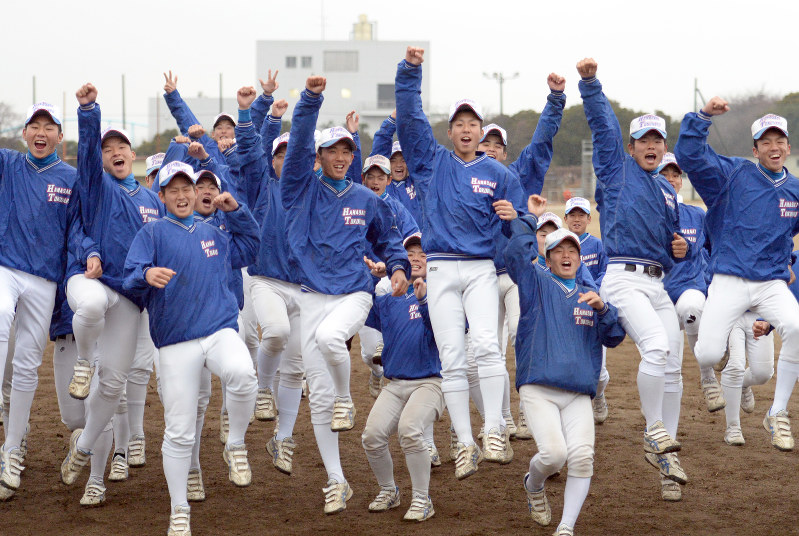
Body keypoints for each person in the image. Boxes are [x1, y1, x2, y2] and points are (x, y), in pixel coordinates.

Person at [281, 75, 410, 513]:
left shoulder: (366, 198)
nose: (340, 157)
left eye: (346, 151)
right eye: (332, 151)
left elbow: (389, 240)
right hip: (311, 295)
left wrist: (397, 267)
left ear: (353, 156)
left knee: (330, 339)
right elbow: (298, 141)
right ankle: (337, 480)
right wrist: (310, 100)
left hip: (354, 292)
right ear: (318, 157)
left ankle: (346, 396)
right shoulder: (301, 188)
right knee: (317, 397)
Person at [395, 46, 526, 478]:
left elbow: (521, 226)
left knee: (486, 346)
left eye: (473, 124)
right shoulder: (431, 163)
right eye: (459, 124)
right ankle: (466, 443)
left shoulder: (499, 174)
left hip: (480, 269)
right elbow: (410, 119)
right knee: (452, 357)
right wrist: (410, 71)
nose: (466, 130)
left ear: (481, 131)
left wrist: (514, 218)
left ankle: (494, 429)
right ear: (449, 131)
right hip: (438, 269)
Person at [123, 160, 258, 536]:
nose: (183, 196)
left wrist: (237, 212)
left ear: (197, 193)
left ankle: (235, 444)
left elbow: (251, 248)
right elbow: (131, 275)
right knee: (179, 431)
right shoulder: (152, 233)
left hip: (218, 330)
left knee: (243, 374)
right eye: (174, 190)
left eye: (188, 189)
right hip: (175, 341)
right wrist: (146, 273)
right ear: (162, 196)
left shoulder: (214, 232)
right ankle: (179, 507)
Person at [577, 59, 689, 486]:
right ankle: (652, 429)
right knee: (656, 346)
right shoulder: (616, 170)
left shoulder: (667, 190)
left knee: (673, 366)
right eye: (643, 139)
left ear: (664, 147)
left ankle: (666, 457)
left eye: (657, 139)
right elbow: (603, 126)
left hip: (658, 283)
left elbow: (671, 249)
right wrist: (591, 84)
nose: (651, 145)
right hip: (623, 278)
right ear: (631, 147)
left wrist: (680, 249)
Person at [675, 103, 799, 452]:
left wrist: (787, 261)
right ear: (755, 150)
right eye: (766, 142)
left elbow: (786, 234)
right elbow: (689, 155)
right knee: (707, 355)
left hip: (770, 282)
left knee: (796, 327)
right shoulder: (733, 174)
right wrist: (702, 117)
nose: (774, 147)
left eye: (780, 141)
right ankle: (714, 358)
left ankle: (777, 413)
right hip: (729, 280)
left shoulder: (795, 190)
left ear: (788, 147)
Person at [60, 84, 164, 498]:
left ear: (133, 154)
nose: (115, 152)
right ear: (102, 159)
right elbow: (87, 153)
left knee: (114, 384)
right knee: (88, 310)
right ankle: (84, 361)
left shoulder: (153, 200)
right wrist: (89, 112)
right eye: (108, 149)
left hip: (130, 297)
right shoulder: (97, 187)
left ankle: (89, 464)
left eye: (121, 146)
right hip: (94, 282)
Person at [506, 194, 625, 536]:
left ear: (580, 256)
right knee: (554, 455)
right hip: (539, 388)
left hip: (577, 394)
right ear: (547, 257)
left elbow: (614, 338)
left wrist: (603, 310)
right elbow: (514, 256)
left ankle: (566, 527)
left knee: (583, 457)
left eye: (572, 249)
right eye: (558, 250)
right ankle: (533, 484)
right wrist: (530, 219)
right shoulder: (536, 282)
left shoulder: (591, 294)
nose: (566, 255)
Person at [0, 102, 88, 501]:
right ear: (24, 134)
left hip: (44, 281)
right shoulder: (9, 164)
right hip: (6, 268)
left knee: (27, 364)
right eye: (33, 126)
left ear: (59, 136)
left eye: (48, 126)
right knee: (1, 316)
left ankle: (12, 449)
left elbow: (80, 231)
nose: (40, 132)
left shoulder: (71, 179)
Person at [477, 75, 566, 439]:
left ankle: (529, 413)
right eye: (486, 143)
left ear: (505, 153)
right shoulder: (465, 180)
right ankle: (501, 421)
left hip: (517, 274)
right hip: (482, 274)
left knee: (522, 336)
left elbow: (542, 141)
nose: (491, 149)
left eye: (497, 145)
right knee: (488, 350)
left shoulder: (518, 175)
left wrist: (555, 99)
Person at [361, 235, 443, 522]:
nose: (416, 258)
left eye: (423, 253)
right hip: (395, 384)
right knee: (372, 436)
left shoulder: (442, 294)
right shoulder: (389, 299)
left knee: (410, 430)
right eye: (410, 254)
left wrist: (423, 300)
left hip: (431, 382)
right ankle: (389, 490)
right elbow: (361, 309)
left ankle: (422, 499)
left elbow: (447, 330)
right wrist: (372, 278)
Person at [563, 197, 612, 424]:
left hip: (593, 309)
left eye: (581, 215)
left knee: (599, 372)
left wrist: (592, 291)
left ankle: (599, 395)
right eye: (572, 215)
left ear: (589, 219)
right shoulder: (559, 245)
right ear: (565, 219)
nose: (576, 219)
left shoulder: (597, 245)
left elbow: (605, 272)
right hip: (567, 310)